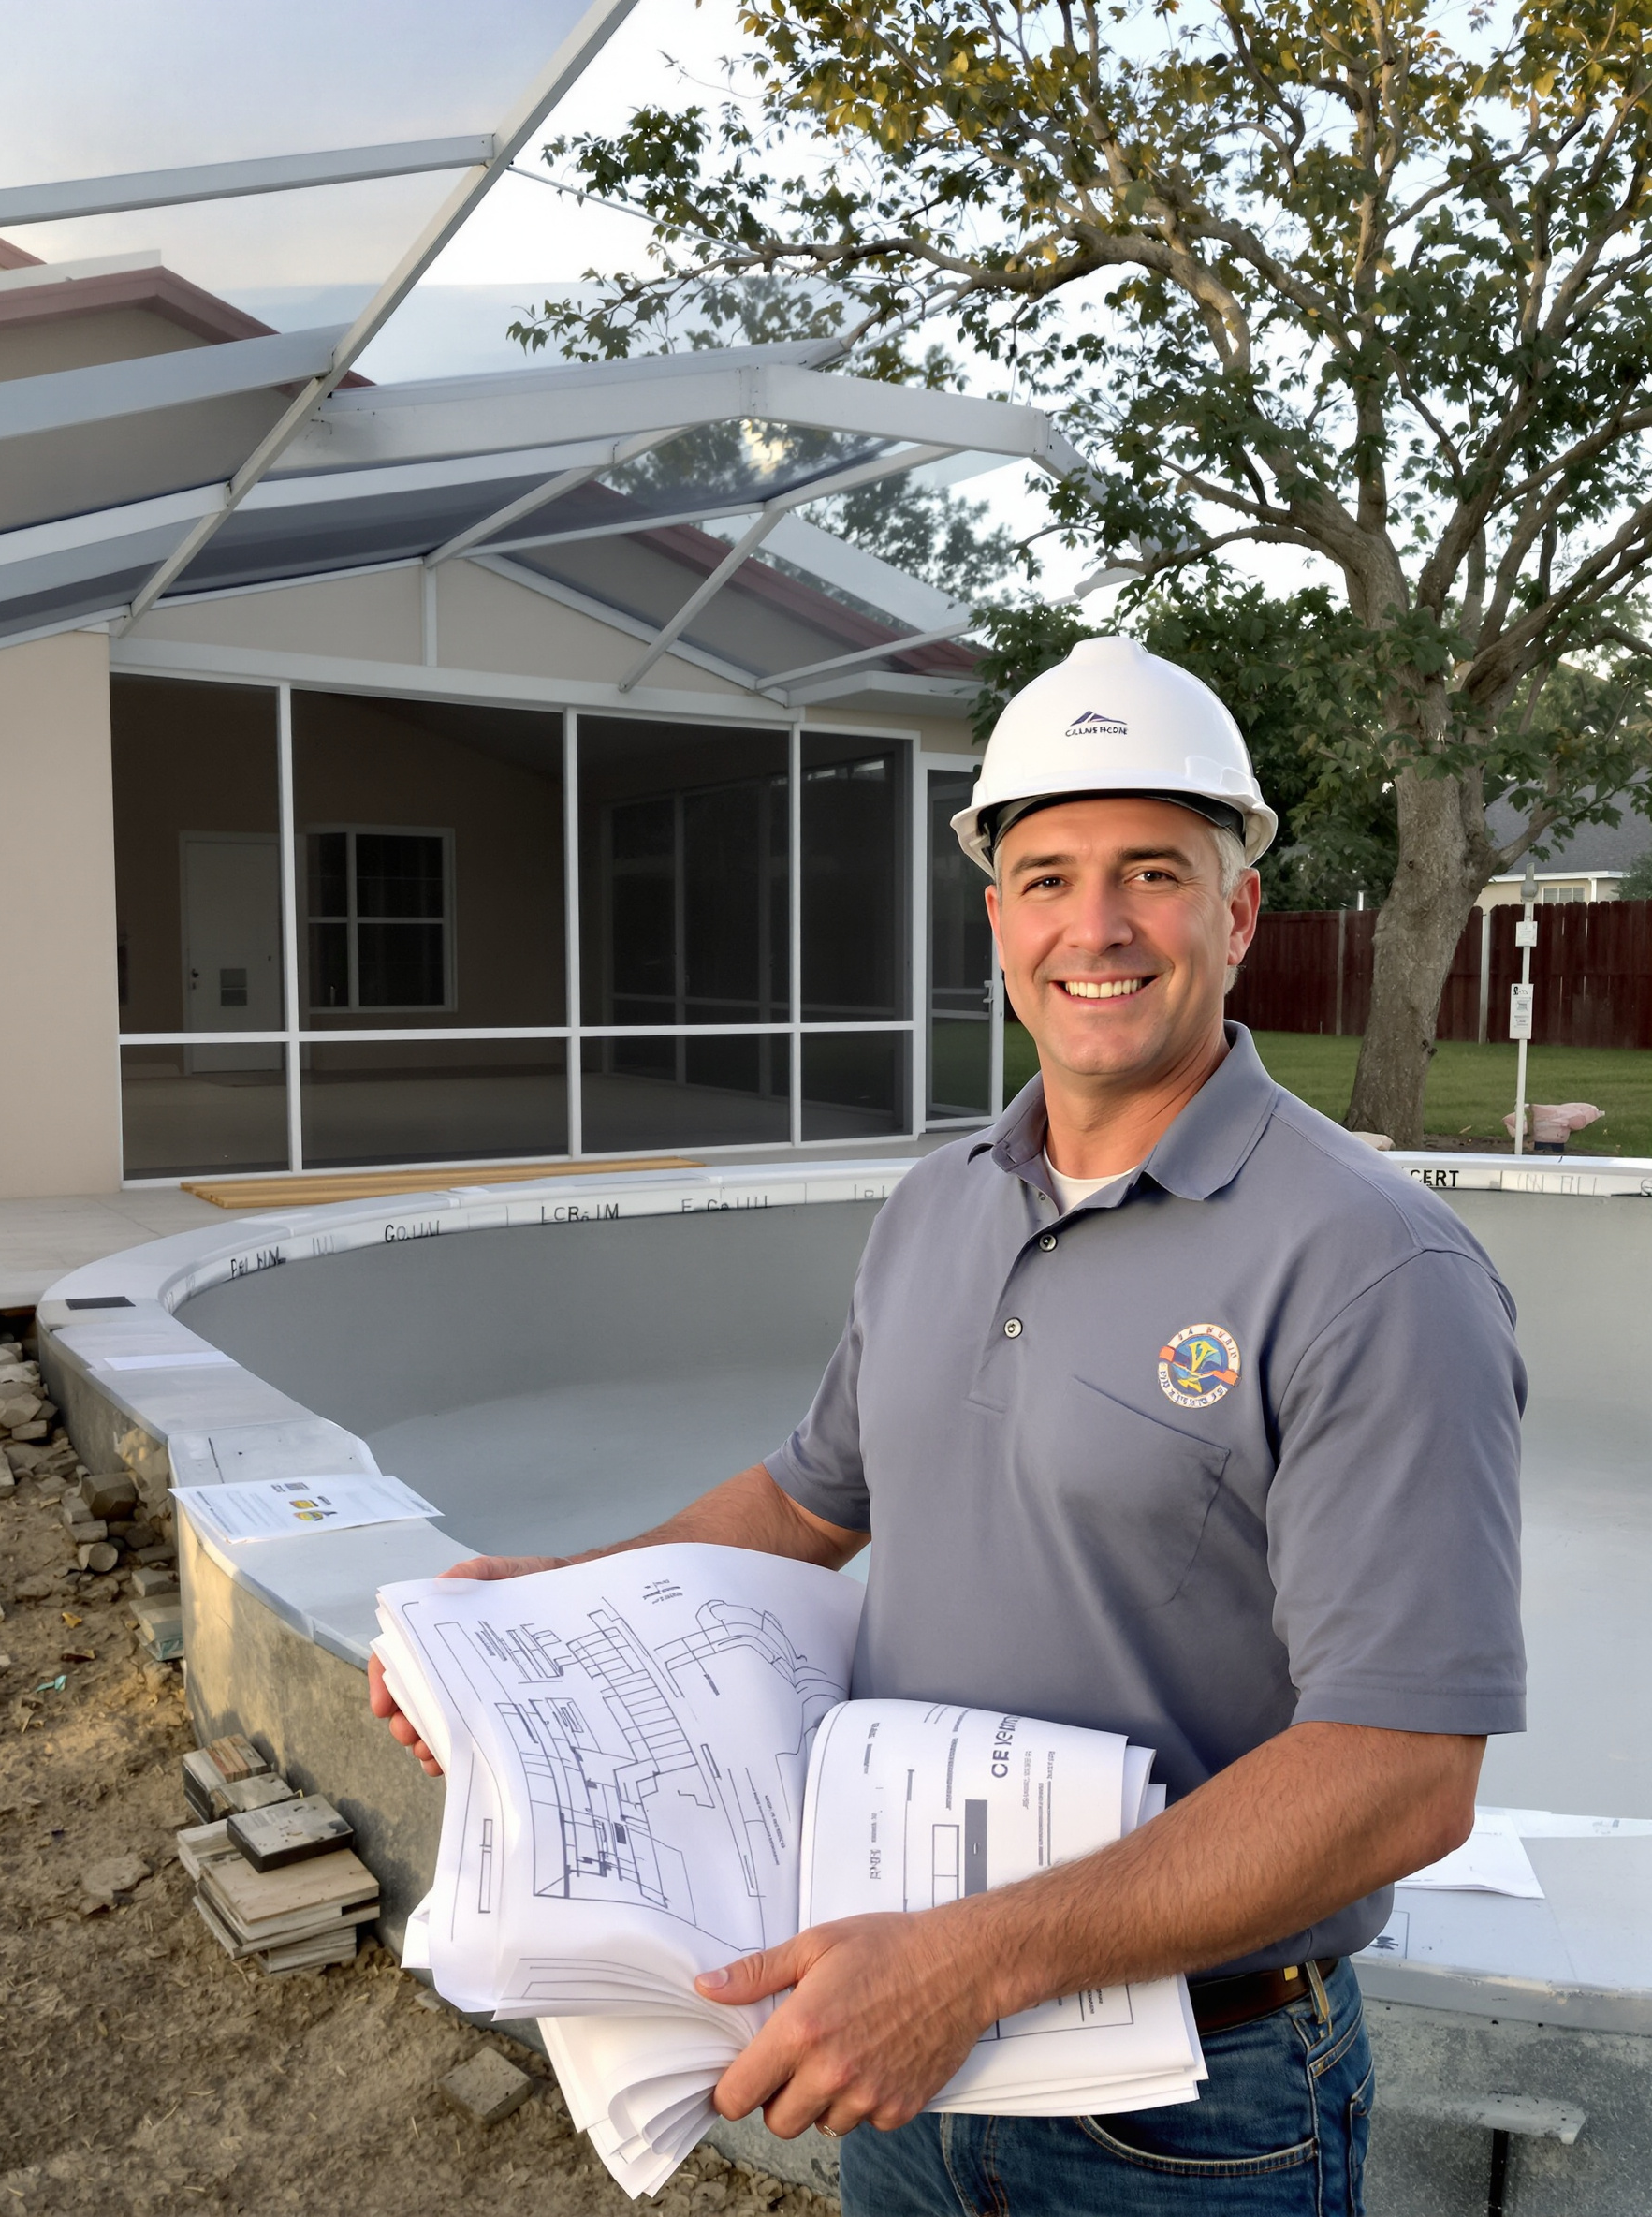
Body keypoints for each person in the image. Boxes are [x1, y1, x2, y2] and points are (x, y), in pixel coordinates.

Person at [371, 634, 1525, 2215]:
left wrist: (970, 1966)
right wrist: (552, 1619)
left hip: (1189, 2109)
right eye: (1046, 877)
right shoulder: (937, 1206)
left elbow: (1402, 1771)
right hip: (903, 2063)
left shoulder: (1373, 1267)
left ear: (1239, 911)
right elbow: (805, 1502)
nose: (1096, 928)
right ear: (997, 921)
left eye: (1151, 874)